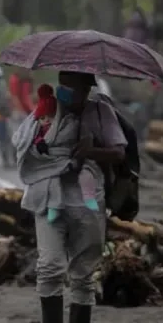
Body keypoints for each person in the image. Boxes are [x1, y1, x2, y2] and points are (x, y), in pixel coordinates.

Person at [12, 71, 127, 323]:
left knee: (83, 271)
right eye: (63, 85)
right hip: (48, 196)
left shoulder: (100, 111)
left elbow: (118, 153)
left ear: (87, 89)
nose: (67, 92)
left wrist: (90, 151)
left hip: (87, 201)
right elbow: (24, 141)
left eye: (74, 87)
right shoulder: (48, 110)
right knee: (49, 265)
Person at [31, 84, 99, 222]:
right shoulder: (40, 130)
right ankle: (54, 206)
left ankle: (89, 198)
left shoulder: (70, 122)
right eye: (43, 118)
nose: (47, 120)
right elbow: (35, 139)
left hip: (71, 157)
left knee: (87, 174)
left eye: (50, 117)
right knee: (52, 181)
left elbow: (73, 137)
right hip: (52, 161)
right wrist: (39, 143)